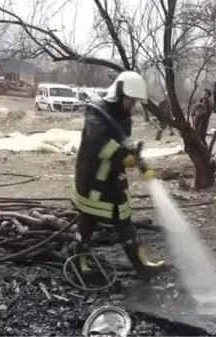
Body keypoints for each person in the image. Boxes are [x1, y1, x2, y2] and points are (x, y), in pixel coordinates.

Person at [71, 71, 164, 283]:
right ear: (119, 93)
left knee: (123, 218)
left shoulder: (123, 117)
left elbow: (122, 142)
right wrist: (123, 158)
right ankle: (78, 260)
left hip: (113, 178)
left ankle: (141, 265)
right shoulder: (97, 112)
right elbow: (98, 146)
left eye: (135, 102)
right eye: (130, 100)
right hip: (93, 178)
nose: (133, 105)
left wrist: (129, 156)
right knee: (88, 219)